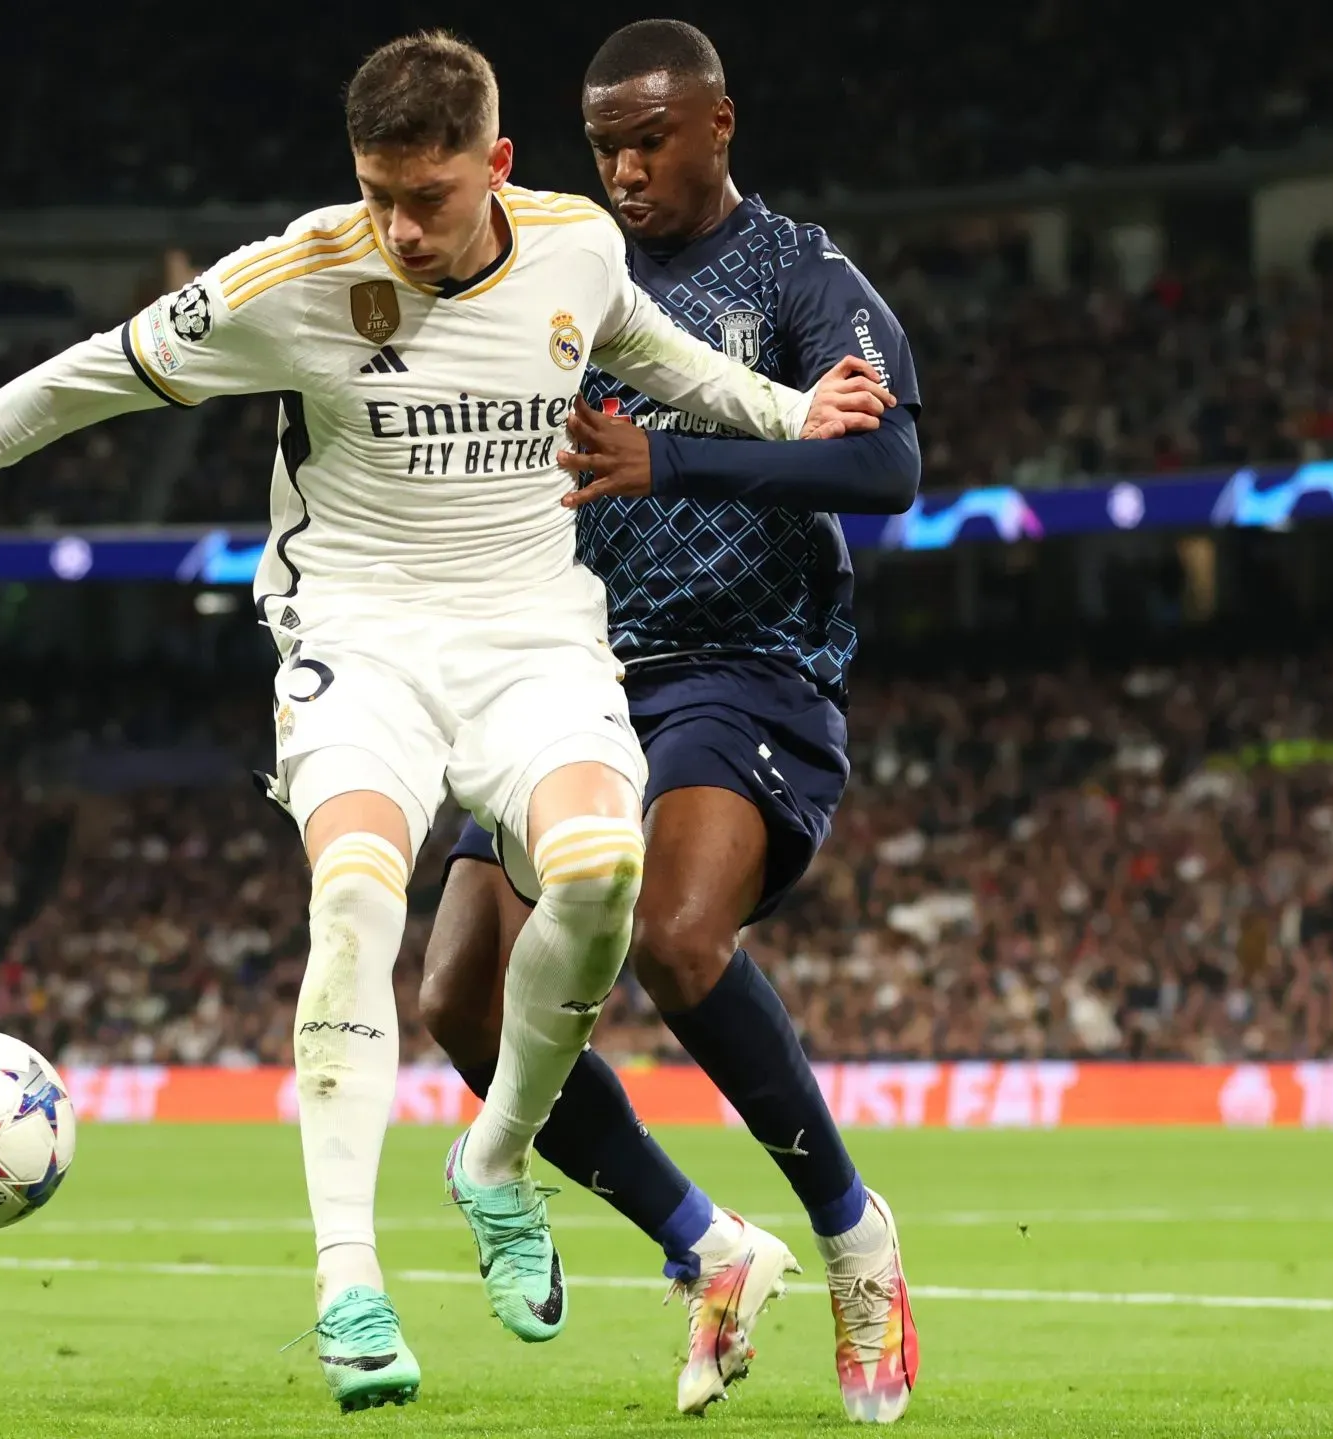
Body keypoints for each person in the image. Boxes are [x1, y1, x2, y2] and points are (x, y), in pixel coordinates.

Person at [0, 30, 903, 1413]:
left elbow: (674, 367)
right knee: (358, 900)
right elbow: (79, 377)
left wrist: (802, 415)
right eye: (376, 192)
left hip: (532, 637)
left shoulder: (569, 249)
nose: (398, 227)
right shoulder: (298, 275)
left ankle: (493, 1159)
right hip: (359, 637)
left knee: (604, 873)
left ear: (497, 167)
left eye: (427, 198)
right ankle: (348, 1280)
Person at [416, 20, 920, 1422]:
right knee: (460, 998)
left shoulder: (804, 278)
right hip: (561, 673)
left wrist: (673, 456)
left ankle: (852, 1236)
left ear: (719, 125)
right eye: (604, 147)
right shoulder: (562, 269)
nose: (626, 169)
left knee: (677, 936)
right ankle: (707, 1241)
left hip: (745, 662)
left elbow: (887, 464)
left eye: (650, 140)